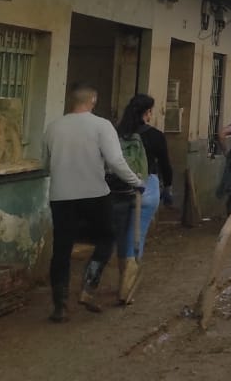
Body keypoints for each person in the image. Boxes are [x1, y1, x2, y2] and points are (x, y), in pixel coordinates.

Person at [42, 85, 143, 322]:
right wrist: (136, 181)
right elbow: (116, 161)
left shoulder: (53, 127)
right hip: (95, 194)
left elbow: (45, 164)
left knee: (62, 248)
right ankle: (89, 287)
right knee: (106, 237)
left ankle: (60, 305)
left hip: (61, 195)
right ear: (93, 100)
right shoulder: (101, 126)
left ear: (71, 102)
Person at [111, 93, 172, 304]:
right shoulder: (155, 135)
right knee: (137, 237)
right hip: (146, 189)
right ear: (147, 112)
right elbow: (165, 165)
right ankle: (126, 290)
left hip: (118, 190)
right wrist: (168, 188)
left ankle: (122, 279)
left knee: (121, 236)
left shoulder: (118, 133)